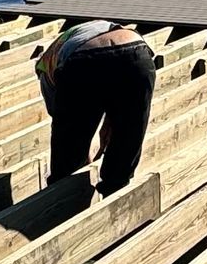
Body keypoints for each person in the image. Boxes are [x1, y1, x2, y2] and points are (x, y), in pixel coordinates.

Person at [36, 20, 158, 195]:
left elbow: (66, 124)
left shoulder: (45, 69)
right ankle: (115, 189)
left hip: (85, 60)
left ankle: (65, 196)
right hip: (137, 53)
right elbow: (116, 100)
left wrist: (81, 157)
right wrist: (106, 129)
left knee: (68, 156)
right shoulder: (85, 31)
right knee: (128, 137)